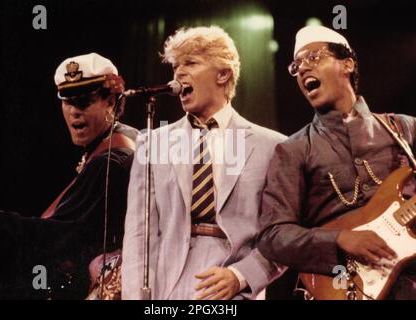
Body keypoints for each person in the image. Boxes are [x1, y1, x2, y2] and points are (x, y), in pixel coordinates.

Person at [122, 26, 287, 300]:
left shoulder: (271, 146)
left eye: (191, 63)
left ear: (223, 74)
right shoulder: (153, 143)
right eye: (176, 66)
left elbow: (283, 235)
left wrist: (242, 276)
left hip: (232, 289)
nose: (178, 74)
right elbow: (139, 234)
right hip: (166, 287)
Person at [257, 26, 416, 299]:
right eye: (296, 65)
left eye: (314, 57)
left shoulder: (404, 129)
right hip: (340, 286)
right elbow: (273, 236)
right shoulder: (293, 149)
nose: (303, 68)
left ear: (348, 64)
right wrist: (339, 239)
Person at [0, 52, 138, 299]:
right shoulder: (124, 138)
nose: (74, 112)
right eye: (67, 101)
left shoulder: (112, 160)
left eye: (83, 101)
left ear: (111, 101)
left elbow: (59, 237)